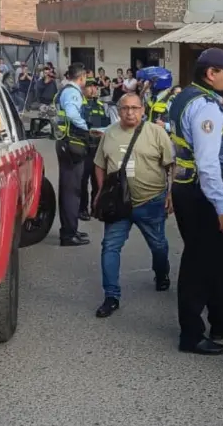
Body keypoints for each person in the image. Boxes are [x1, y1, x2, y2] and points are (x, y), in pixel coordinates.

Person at [169, 47, 223, 356]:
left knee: (213, 261)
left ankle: (219, 320)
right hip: (202, 193)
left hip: (189, 187)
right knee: (199, 265)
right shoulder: (207, 109)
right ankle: (191, 334)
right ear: (210, 74)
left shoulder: (186, 97)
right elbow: (207, 164)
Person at [92, 93, 174, 317]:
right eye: (125, 108)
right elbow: (99, 164)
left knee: (158, 246)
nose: (130, 112)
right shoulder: (109, 134)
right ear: (118, 111)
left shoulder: (156, 133)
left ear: (143, 110)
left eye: (134, 108)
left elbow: (171, 165)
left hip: (151, 201)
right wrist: (101, 191)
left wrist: (170, 194)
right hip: (118, 205)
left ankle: (161, 273)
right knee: (110, 246)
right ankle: (111, 296)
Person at [54, 62, 92, 247]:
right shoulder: (72, 92)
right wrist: (87, 128)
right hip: (72, 144)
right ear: (82, 76)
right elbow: (71, 114)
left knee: (70, 189)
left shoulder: (66, 90)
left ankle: (71, 229)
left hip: (66, 143)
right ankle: (68, 234)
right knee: (71, 191)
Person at [79, 77, 110, 221]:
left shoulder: (101, 106)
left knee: (98, 181)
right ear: (83, 89)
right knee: (83, 181)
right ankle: (82, 209)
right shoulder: (80, 105)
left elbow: (108, 125)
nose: (93, 89)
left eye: (95, 87)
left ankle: (95, 207)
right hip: (85, 148)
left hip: (98, 148)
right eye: (90, 87)